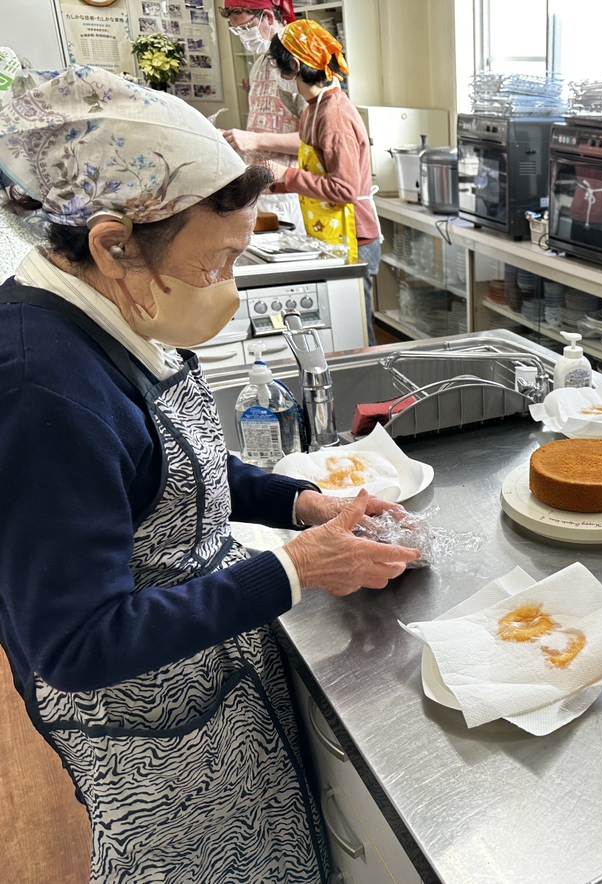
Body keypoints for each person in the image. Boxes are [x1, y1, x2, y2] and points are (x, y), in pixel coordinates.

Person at [0, 66, 418, 883]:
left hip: (204, 673)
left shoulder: (111, 313)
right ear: (113, 243)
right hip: (143, 721)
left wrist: (298, 502)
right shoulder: (39, 388)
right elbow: (78, 645)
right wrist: (294, 571)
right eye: (216, 264)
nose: (228, 290)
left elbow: (170, 460)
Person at [266, 19, 380, 346]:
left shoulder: (334, 116)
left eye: (281, 68)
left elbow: (344, 189)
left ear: (296, 64)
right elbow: (315, 168)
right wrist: (273, 183)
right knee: (343, 332)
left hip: (355, 238)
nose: (280, 77)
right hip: (334, 233)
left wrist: (285, 176)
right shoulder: (315, 107)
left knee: (356, 336)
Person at [218, 0, 306, 232]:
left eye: (246, 28)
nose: (243, 36)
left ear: (268, 17)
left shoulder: (299, 66)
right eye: (236, 30)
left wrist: (255, 140)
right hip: (262, 192)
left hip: (293, 196)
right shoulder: (261, 64)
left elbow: (316, 142)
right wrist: (236, 140)